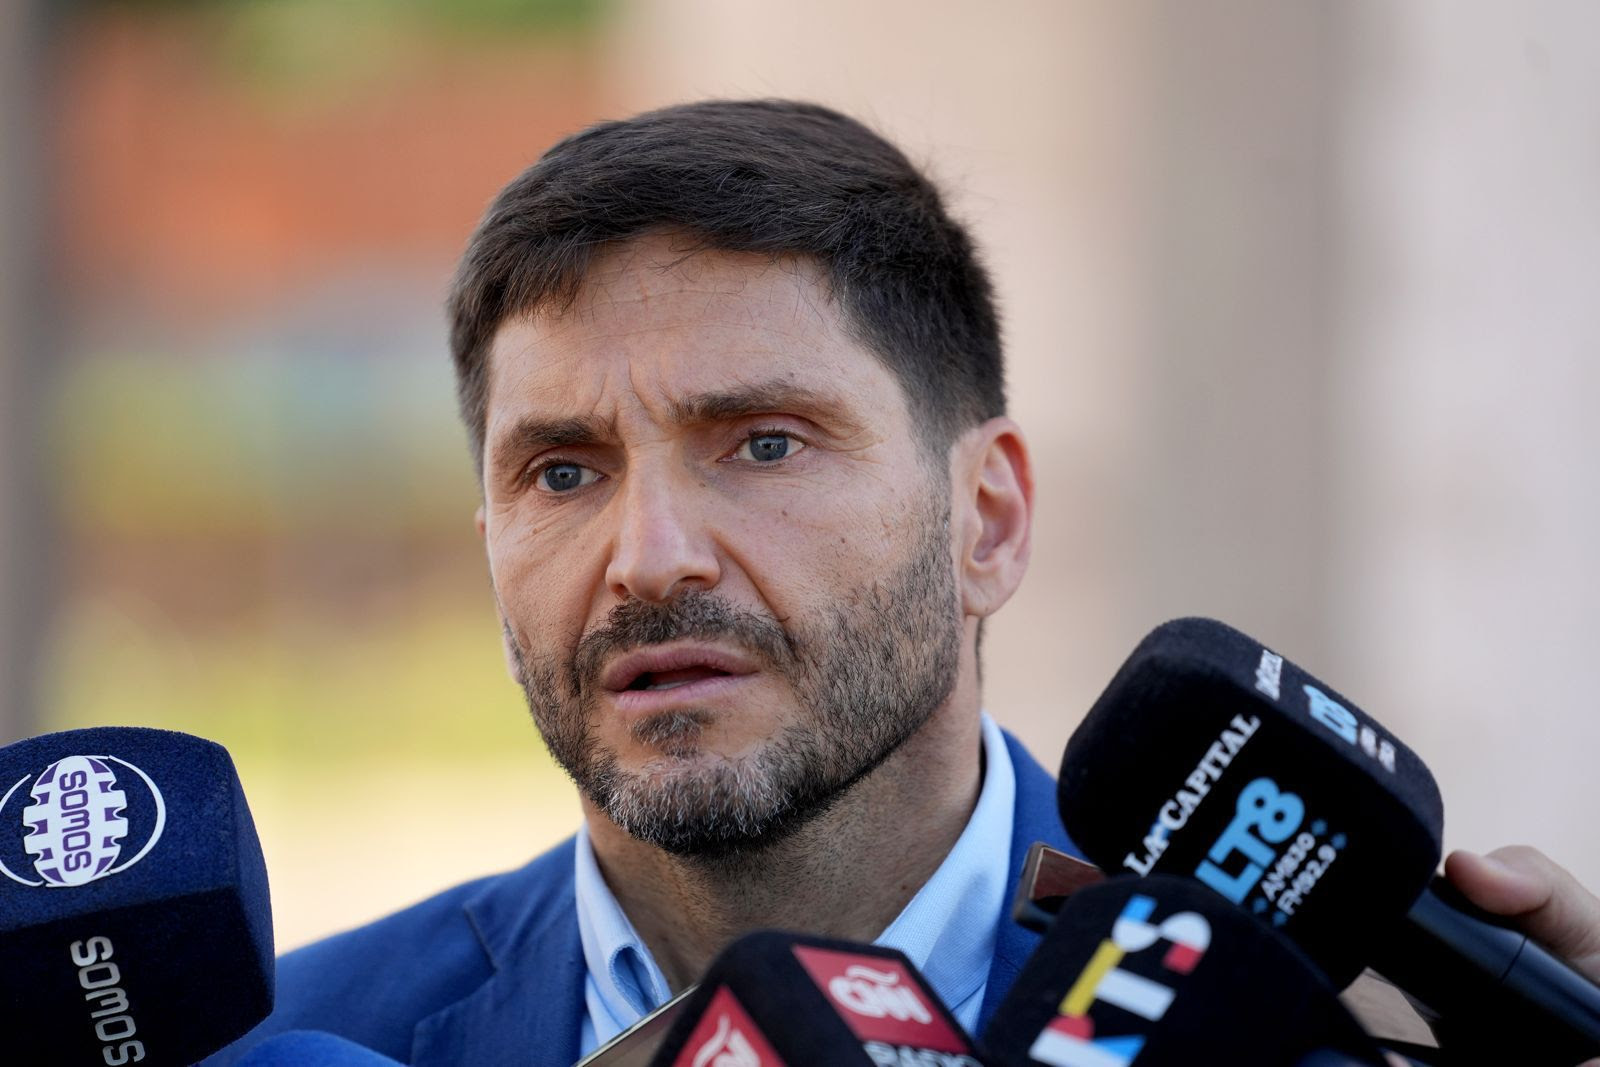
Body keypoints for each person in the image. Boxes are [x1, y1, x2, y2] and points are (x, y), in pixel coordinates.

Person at [210, 100, 1600, 1066]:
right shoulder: (281, 1041)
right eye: (563, 471)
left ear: (985, 520)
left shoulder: (1346, 1031)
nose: (647, 557)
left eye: (764, 443)